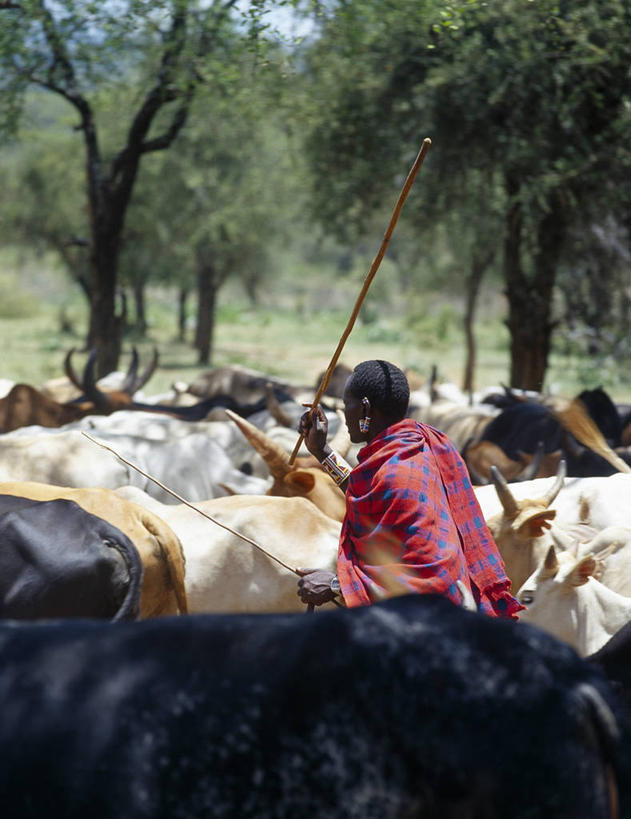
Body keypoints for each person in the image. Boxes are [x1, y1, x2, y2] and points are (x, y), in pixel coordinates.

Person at [297, 359, 523, 619]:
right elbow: (366, 493)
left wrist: (335, 585)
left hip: (432, 622)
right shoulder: (418, 444)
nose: (344, 413)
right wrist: (321, 451)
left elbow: (430, 579)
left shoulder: (397, 471)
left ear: (365, 408)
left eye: (347, 403)